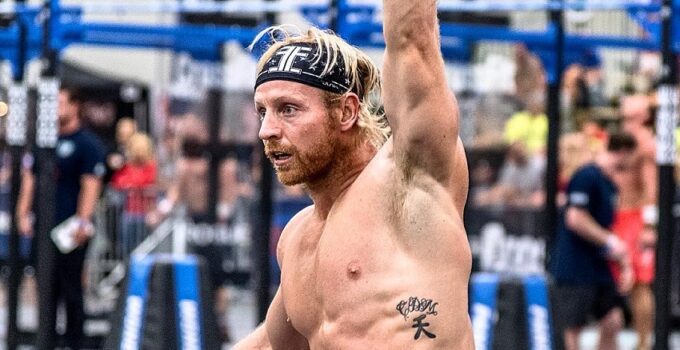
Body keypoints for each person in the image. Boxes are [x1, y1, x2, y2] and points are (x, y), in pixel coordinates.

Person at [234, 0, 473, 348]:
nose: (267, 130)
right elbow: (271, 344)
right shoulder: (298, 241)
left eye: (288, 109)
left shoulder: (408, 182)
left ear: (347, 111)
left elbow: (412, 39)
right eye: (262, 111)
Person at [16, 85, 106, 349]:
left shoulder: (87, 144)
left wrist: (83, 220)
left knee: (71, 288)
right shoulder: (44, 142)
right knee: (46, 286)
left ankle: (75, 341)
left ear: (75, 105)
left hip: (69, 227)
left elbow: (91, 185)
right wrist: (22, 214)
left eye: (61, 102)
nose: (56, 108)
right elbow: (29, 179)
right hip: (44, 225)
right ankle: (47, 340)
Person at [551, 132, 637, 350]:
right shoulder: (587, 176)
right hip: (576, 267)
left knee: (613, 320)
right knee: (572, 329)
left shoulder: (609, 184)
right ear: (623, 153)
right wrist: (608, 241)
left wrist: (623, 261)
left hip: (598, 266)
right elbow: (575, 218)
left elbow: (607, 229)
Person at [610, 94, 657, 350]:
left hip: (635, 218)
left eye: (632, 115)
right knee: (615, 283)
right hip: (616, 217)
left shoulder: (646, 145)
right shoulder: (620, 141)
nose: (626, 119)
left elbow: (652, 187)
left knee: (639, 284)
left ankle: (643, 343)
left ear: (644, 116)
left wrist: (649, 226)